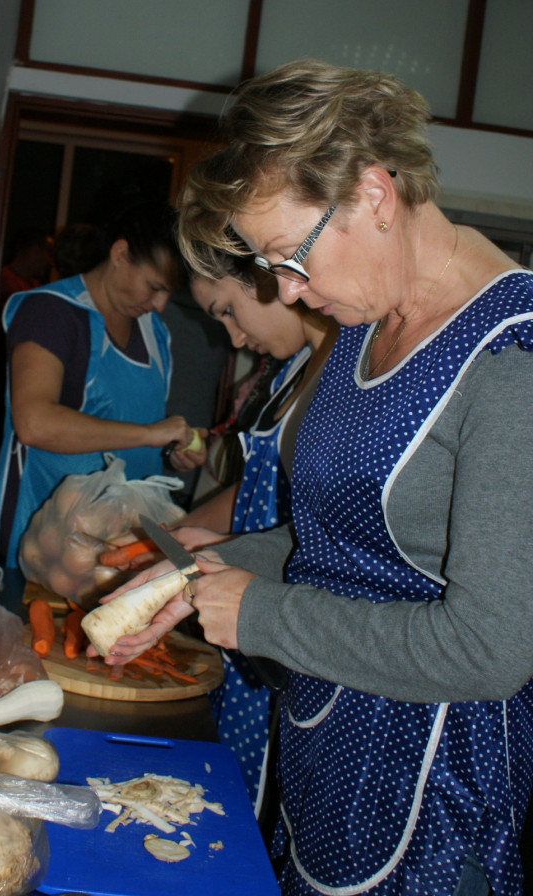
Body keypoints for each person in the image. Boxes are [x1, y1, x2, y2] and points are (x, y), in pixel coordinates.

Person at [95, 60, 533, 896]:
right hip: (326, 761)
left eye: (288, 257)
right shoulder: (365, 325)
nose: (287, 291)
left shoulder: (510, 358)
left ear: (373, 195)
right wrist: (200, 573)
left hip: (433, 801)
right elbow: (339, 539)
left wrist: (260, 612)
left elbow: (490, 649)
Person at [177, 249, 336, 811]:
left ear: (268, 277)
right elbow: (255, 492)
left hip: (285, 628)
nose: (235, 338)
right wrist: (190, 534)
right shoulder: (294, 369)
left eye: (227, 310)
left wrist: (228, 549)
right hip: (244, 617)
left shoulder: (343, 373)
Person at [0, 199, 207, 571]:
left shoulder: (155, 333)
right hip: (43, 541)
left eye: (169, 292)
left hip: (120, 542)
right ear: (120, 254)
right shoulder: (51, 313)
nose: (160, 304)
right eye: (154, 287)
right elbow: (34, 423)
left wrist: (171, 448)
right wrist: (148, 434)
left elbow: (130, 428)